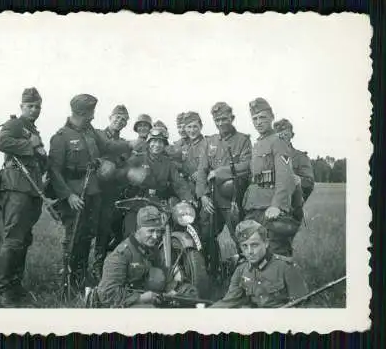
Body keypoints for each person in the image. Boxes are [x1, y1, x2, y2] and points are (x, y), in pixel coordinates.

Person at [48, 94, 137, 290]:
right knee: (73, 236)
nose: (93, 117)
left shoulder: (90, 132)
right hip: (74, 195)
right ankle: (68, 278)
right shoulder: (60, 137)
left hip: (93, 191)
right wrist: (68, 195)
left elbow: (108, 146)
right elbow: (54, 171)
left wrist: (129, 144)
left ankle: (81, 275)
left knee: (88, 235)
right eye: (91, 113)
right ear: (82, 112)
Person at [0, 87, 48, 307]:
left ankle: (16, 284)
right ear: (22, 106)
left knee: (24, 239)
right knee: (14, 239)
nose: (34, 110)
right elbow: (1, 142)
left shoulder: (33, 129)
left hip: (32, 189)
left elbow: (38, 158)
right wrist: (31, 147)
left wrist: (42, 155)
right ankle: (2, 290)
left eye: (37, 107)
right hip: (16, 189)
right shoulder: (15, 124)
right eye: (30, 106)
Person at [94, 206, 198, 308]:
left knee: (190, 293)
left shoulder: (153, 249)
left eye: (158, 231)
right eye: (151, 231)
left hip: (154, 297)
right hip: (127, 304)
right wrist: (140, 298)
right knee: (149, 310)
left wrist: (174, 291)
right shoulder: (121, 255)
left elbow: (166, 277)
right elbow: (106, 293)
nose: (156, 236)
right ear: (138, 229)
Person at [195, 102, 252, 274]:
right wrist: (203, 196)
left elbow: (248, 165)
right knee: (205, 236)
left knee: (240, 236)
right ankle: (210, 272)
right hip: (211, 199)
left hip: (232, 198)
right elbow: (201, 171)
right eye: (217, 120)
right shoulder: (209, 141)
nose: (220, 123)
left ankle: (248, 272)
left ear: (232, 118)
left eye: (224, 119)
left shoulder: (243, 140)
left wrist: (220, 172)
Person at [242, 97, 299, 257]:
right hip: (254, 206)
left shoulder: (278, 141)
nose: (258, 122)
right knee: (255, 253)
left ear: (272, 117)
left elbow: (285, 177)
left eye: (262, 117)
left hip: (270, 207)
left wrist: (277, 206)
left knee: (275, 251)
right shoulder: (258, 143)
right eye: (255, 118)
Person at [210, 220, 308, 308]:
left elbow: (302, 306)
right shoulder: (241, 270)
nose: (249, 251)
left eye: (254, 245)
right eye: (244, 246)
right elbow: (228, 302)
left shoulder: (286, 267)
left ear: (266, 243)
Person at [118, 127, 194, 238]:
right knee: (131, 232)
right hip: (138, 202)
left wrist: (188, 198)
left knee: (168, 229)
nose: (157, 145)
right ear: (149, 143)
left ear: (164, 145)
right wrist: (131, 174)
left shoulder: (168, 163)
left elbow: (179, 183)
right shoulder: (137, 159)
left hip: (159, 203)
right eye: (154, 141)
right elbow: (122, 173)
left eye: (160, 142)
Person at [93, 104, 131, 281]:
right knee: (85, 228)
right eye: (117, 117)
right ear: (110, 117)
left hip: (111, 192)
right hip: (93, 188)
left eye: (123, 119)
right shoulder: (98, 135)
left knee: (105, 227)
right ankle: (74, 268)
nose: (119, 121)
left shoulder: (124, 144)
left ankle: (98, 266)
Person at [274, 118, 315, 202]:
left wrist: (297, 180)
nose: (282, 137)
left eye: (285, 134)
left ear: (292, 135)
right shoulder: (266, 158)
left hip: (291, 206)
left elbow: (309, 183)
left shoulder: (301, 157)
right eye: (279, 135)